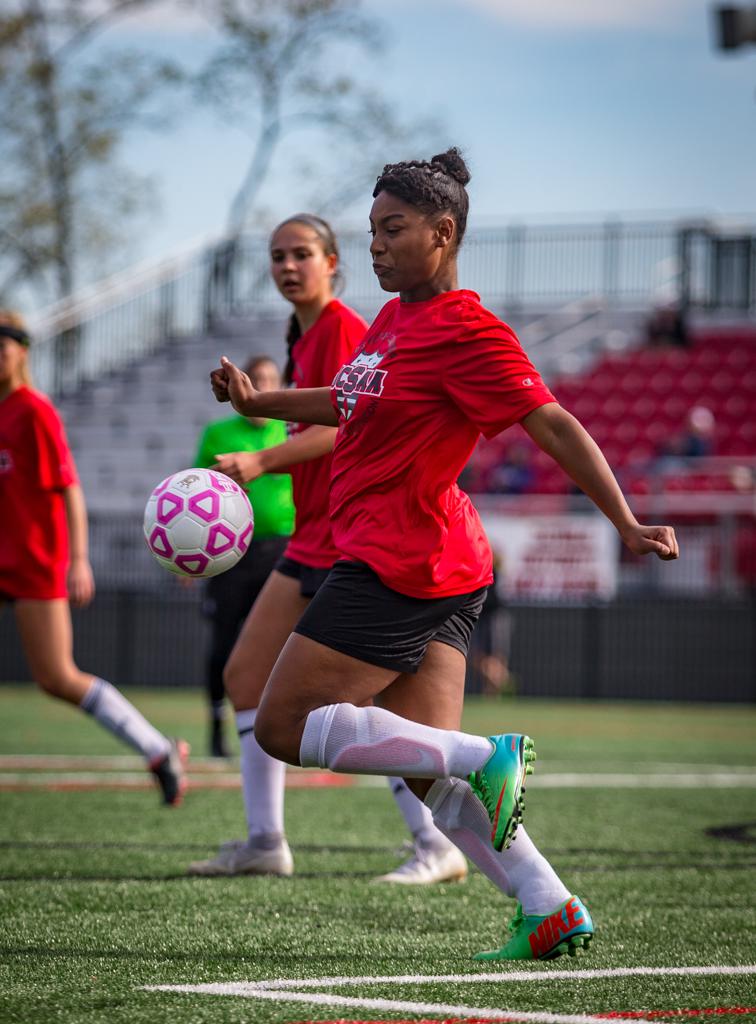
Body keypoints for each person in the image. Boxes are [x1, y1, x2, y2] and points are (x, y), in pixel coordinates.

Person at [209, 149, 679, 961]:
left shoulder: (467, 328)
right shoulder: (394, 321)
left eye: (393, 231)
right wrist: (263, 402)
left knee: (283, 724)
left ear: (444, 231)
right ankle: (549, 902)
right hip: (439, 565)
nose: (378, 247)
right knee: (431, 777)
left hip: (401, 562)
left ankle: (485, 756)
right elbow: (349, 401)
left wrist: (626, 522)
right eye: (372, 232)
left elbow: (553, 422)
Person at [189, 214, 467, 884]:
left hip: (346, 538)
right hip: (312, 534)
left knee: (382, 710)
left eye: (302, 254)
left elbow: (351, 427)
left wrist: (264, 461)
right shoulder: (306, 335)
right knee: (244, 677)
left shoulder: (345, 328)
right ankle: (265, 842)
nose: (288, 266)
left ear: (333, 262)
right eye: (278, 255)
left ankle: (438, 844)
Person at [0, 311, 188, 805]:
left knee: (57, 677)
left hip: (34, 563)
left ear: (22, 351)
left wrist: (78, 559)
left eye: (8, 343)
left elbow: (69, 488)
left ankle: (156, 749)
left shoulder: (33, 411)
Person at [194, 354, 295, 757]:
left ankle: (270, 731)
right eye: (258, 379)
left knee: (279, 647)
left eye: (272, 379)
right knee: (224, 642)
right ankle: (218, 726)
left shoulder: (292, 432)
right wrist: (194, 556)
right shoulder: (218, 433)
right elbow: (195, 496)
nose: (265, 385)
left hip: (283, 551)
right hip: (230, 554)